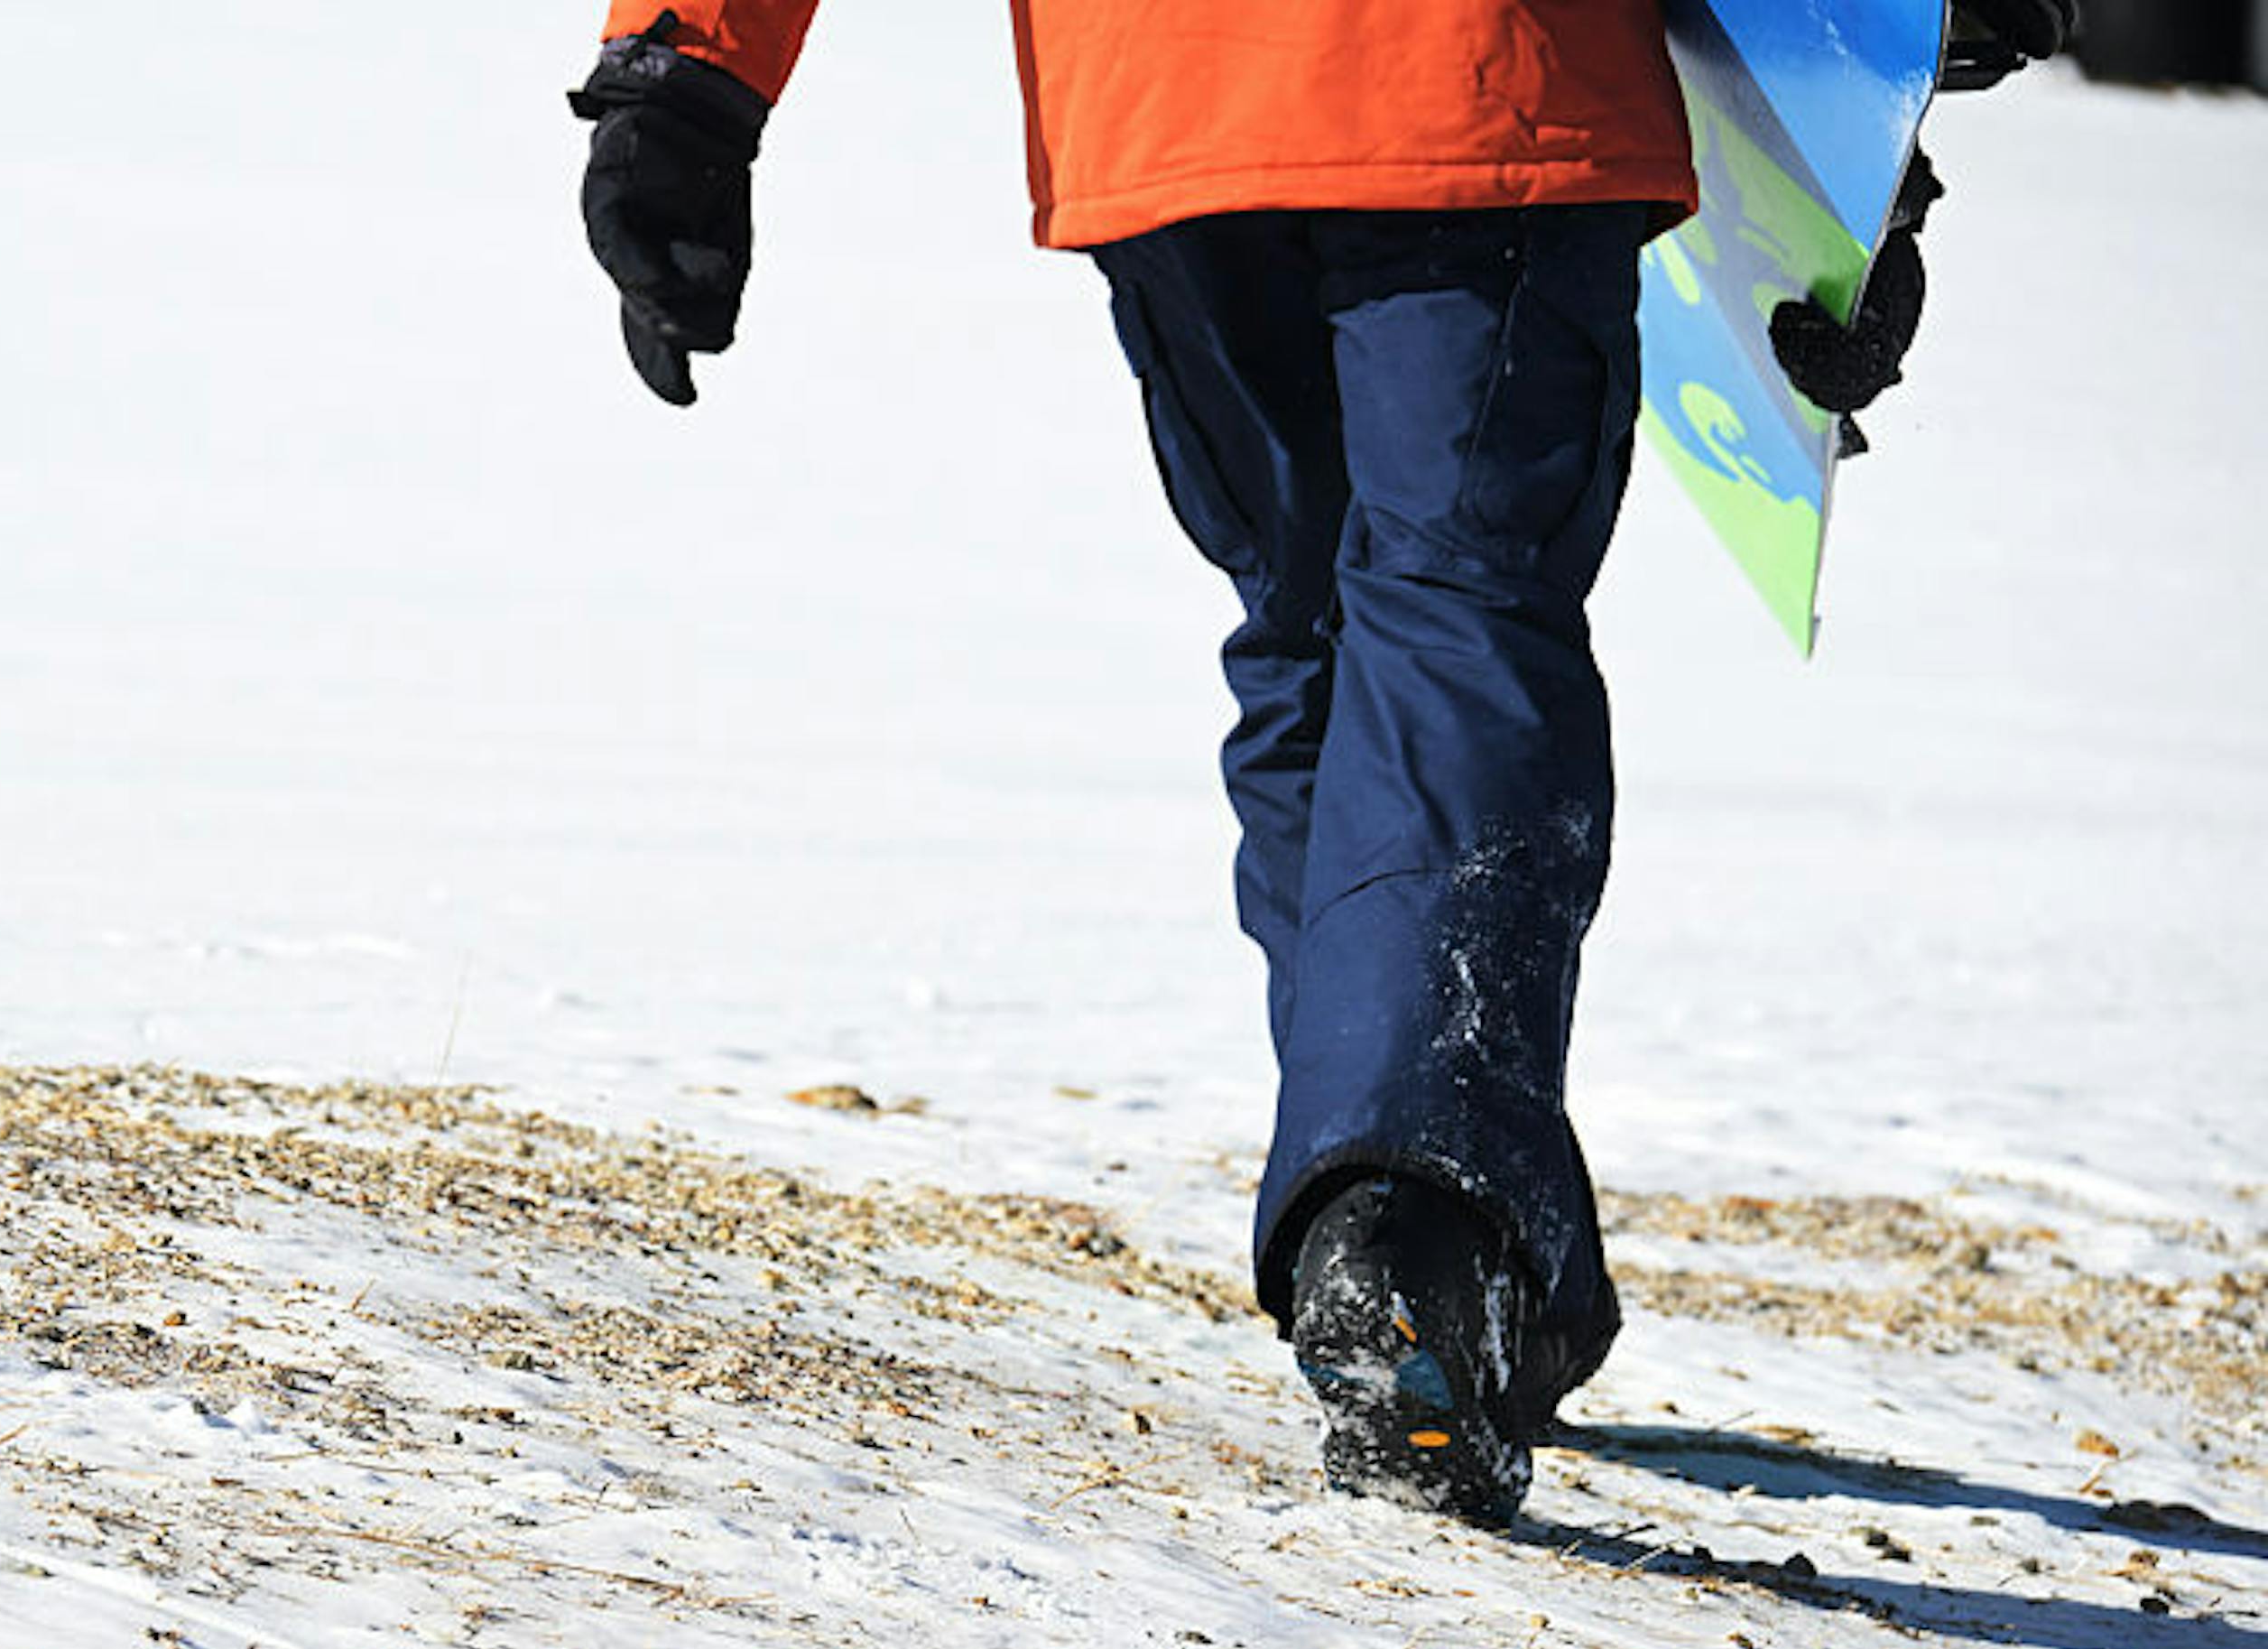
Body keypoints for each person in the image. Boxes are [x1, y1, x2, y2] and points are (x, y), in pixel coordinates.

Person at [569, 0, 2060, 1528]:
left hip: (1159, 99)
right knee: (1457, 609)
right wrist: (1852, 135)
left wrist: (686, 78)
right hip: (1481, 76)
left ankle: (1443, 1243)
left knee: (1313, 625)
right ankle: (1412, 1224)